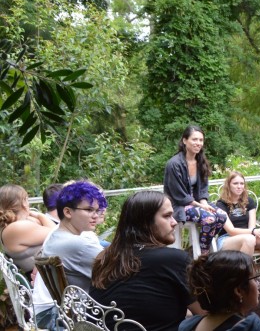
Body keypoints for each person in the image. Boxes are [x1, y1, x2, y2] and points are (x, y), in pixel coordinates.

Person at [91, 191, 204, 331]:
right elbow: (204, 311)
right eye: (167, 216)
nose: (174, 222)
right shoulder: (173, 259)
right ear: (145, 222)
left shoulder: (105, 257)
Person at [33, 181, 108, 330]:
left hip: (55, 310)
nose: (96, 215)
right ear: (68, 212)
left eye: (97, 210)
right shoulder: (79, 244)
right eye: (89, 209)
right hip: (61, 318)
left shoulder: (57, 234)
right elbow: (121, 271)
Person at [163, 125, 228, 254]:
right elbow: (179, 195)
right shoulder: (174, 164)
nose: (198, 143)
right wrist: (200, 205)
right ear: (184, 140)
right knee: (209, 218)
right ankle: (204, 254)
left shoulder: (200, 161)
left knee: (222, 216)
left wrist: (204, 202)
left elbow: (203, 188)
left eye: (201, 140)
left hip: (197, 203)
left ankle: (198, 248)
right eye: (194, 139)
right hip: (179, 205)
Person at [180, 251, 260, 331]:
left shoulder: (189, 325)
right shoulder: (254, 327)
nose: (258, 283)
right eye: (255, 279)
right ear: (238, 291)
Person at [215, 172, 260, 275]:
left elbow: (252, 227)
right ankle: (246, 277)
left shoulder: (249, 202)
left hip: (248, 236)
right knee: (249, 239)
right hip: (226, 239)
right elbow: (231, 231)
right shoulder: (221, 204)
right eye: (235, 183)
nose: (239, 186)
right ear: (228, 185)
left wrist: (254, 231)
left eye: (242, 184)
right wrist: (253, 231)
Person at [0, 184, 55, 274]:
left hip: (47, 272)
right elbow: (57, 233)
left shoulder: (13, 224)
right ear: (23, 202)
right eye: (26, 199)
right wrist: (40, 215)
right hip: (46, 279)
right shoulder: (16, 228)